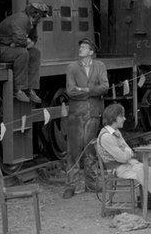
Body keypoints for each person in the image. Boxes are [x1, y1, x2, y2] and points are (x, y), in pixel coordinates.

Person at [62, 37, 108, 199]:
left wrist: (84, 89)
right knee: (73, 150)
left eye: (84, 47)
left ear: (91, 52)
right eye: (80, 46)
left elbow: (105, 87)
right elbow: (71, 91)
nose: (81, 49)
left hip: (94, 113)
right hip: (76, 114)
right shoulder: (72, 67)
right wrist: (91, 91)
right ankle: (70, 185)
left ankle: (91, 183)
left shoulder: (100, 66)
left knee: (90, 148)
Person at [0, 3, 50, 103]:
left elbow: (33, 39)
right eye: (41, 17)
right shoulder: (21, 19)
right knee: (22, 53)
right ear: (36, 14)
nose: (41, 20)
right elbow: (20, 40)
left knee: (35, 53)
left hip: (12, 47)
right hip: (3, 49)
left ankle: (30, 88)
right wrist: (25, 42)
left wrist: (27, 42)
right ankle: (18, 90)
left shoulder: (32, 23)